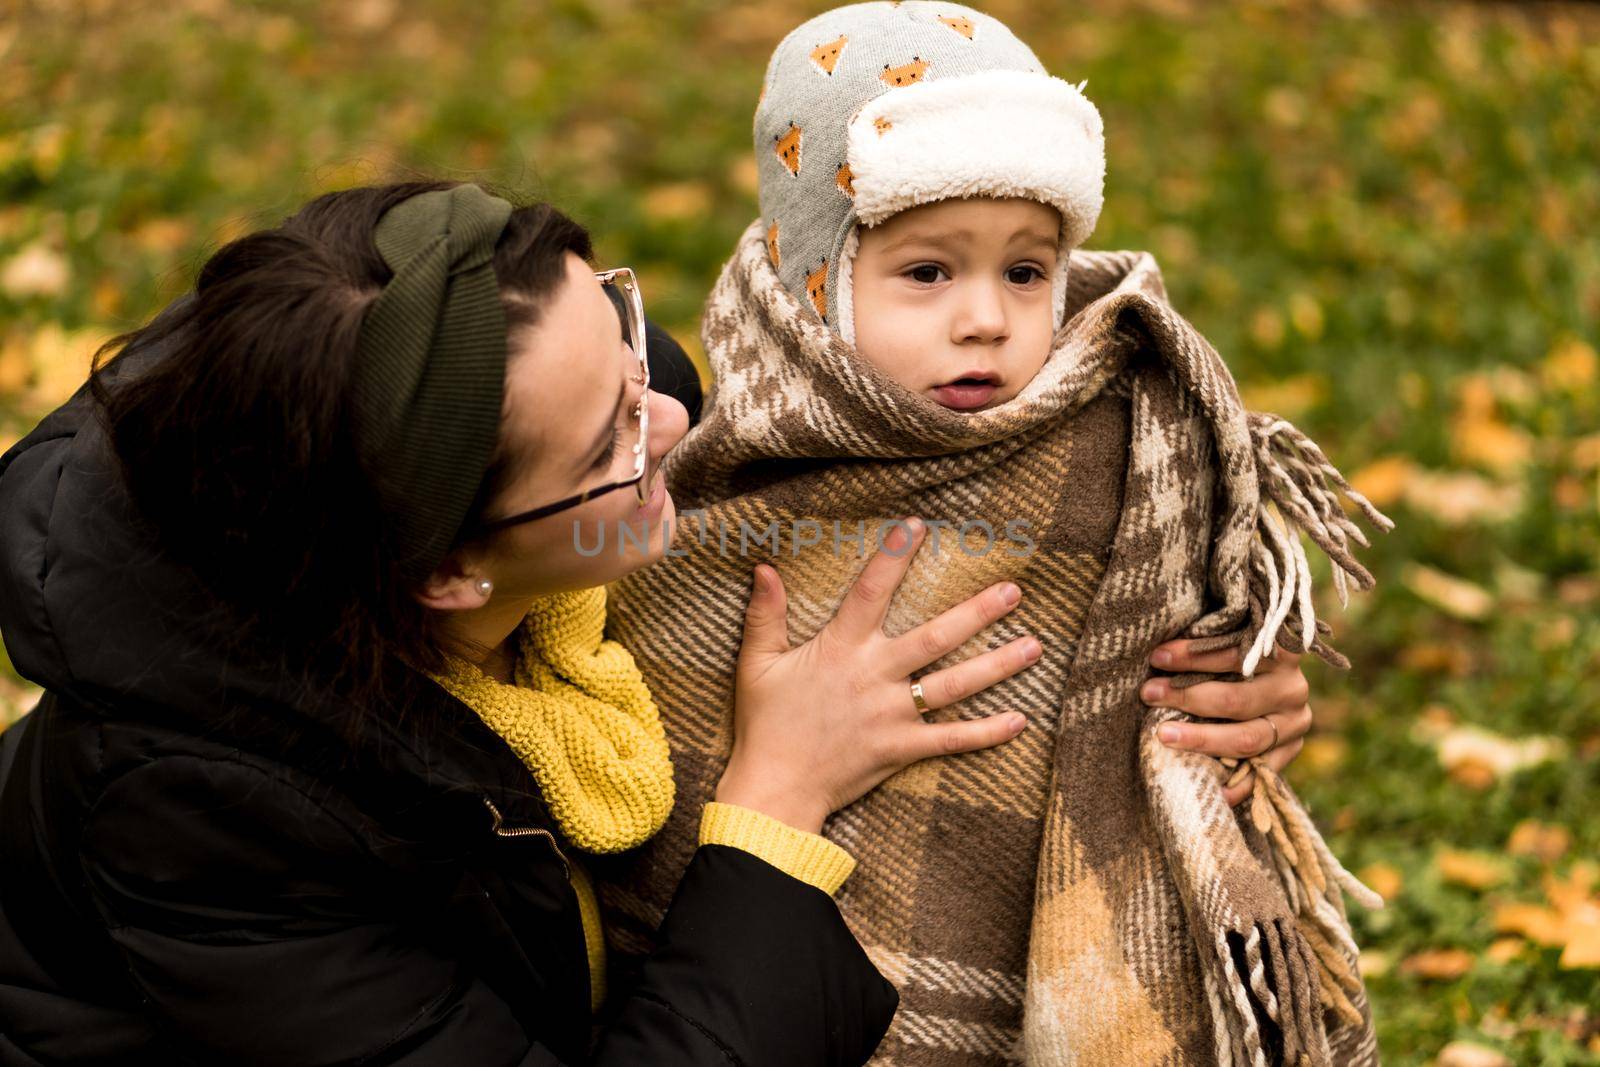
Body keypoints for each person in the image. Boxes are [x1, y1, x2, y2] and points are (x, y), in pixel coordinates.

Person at [0, 181, 1054, 1065]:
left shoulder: (451, 382)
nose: (679, 420)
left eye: (623, 326)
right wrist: (778, 801)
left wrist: (1207, 659)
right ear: (449, 570)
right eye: (612, 443)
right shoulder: (212, 822)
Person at [597, 4, 1389, 1064]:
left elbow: (1188, 662)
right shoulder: (704, 476)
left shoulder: (1128, 441)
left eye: (1025, 271)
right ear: (815, 283)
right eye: (927, 272)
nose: (987, 318)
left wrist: (1233, 687)